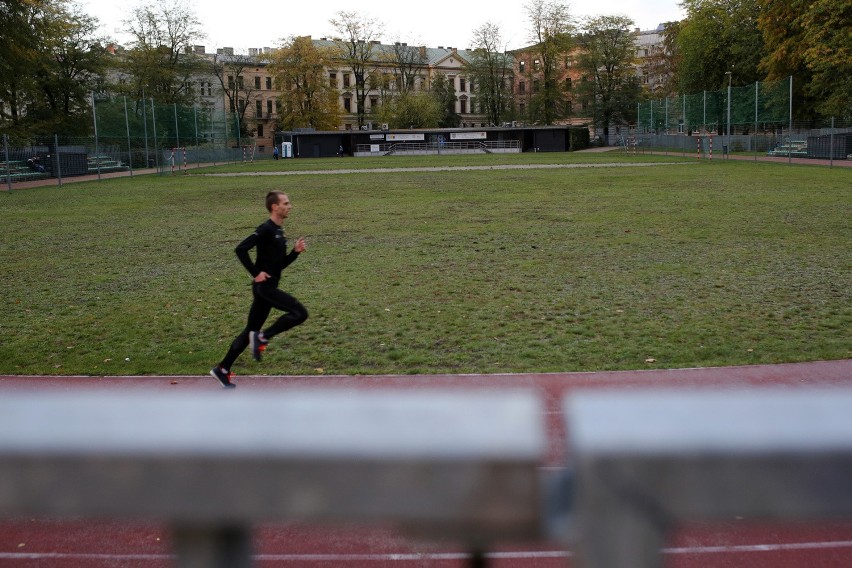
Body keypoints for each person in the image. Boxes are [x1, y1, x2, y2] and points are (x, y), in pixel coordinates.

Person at [210, 191, 309, 388]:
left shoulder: (279, 232)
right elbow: (241, 249)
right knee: (300, 313)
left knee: (249, 331)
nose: (290, 206)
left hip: (269, 287)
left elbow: (277, 265)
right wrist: (255, 273)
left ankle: (222, 369)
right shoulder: (266, 229)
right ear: (275, 207)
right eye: (286, 203)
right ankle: (263, 337)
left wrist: (295, 253)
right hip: (264, 288)